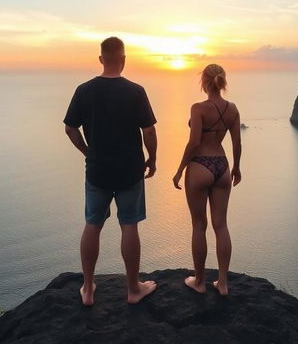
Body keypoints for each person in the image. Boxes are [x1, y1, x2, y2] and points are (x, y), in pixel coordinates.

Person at [64, 36, 158, 305]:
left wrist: (87, 151)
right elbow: (149, 129)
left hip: (97, 170)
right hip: (130, 169)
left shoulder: (84, 90)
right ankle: (133, 289)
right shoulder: (135, 91)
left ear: (101, 59)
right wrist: (152, 158)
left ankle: (88, 289)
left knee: (92, 224)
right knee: (129, 224)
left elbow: (70, 128)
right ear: (124, 60)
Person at [172, 64, 242, 295]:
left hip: (200, 164)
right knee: (221, 225)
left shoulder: (198, 108)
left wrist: (181, 168)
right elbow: (236, 143)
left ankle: (199, 281)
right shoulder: (232, 109)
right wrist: (237, 167)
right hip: (222, 166)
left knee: (199, 225)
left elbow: (193, 143)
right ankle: (222, 282)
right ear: (222, 81)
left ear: (204, 81)